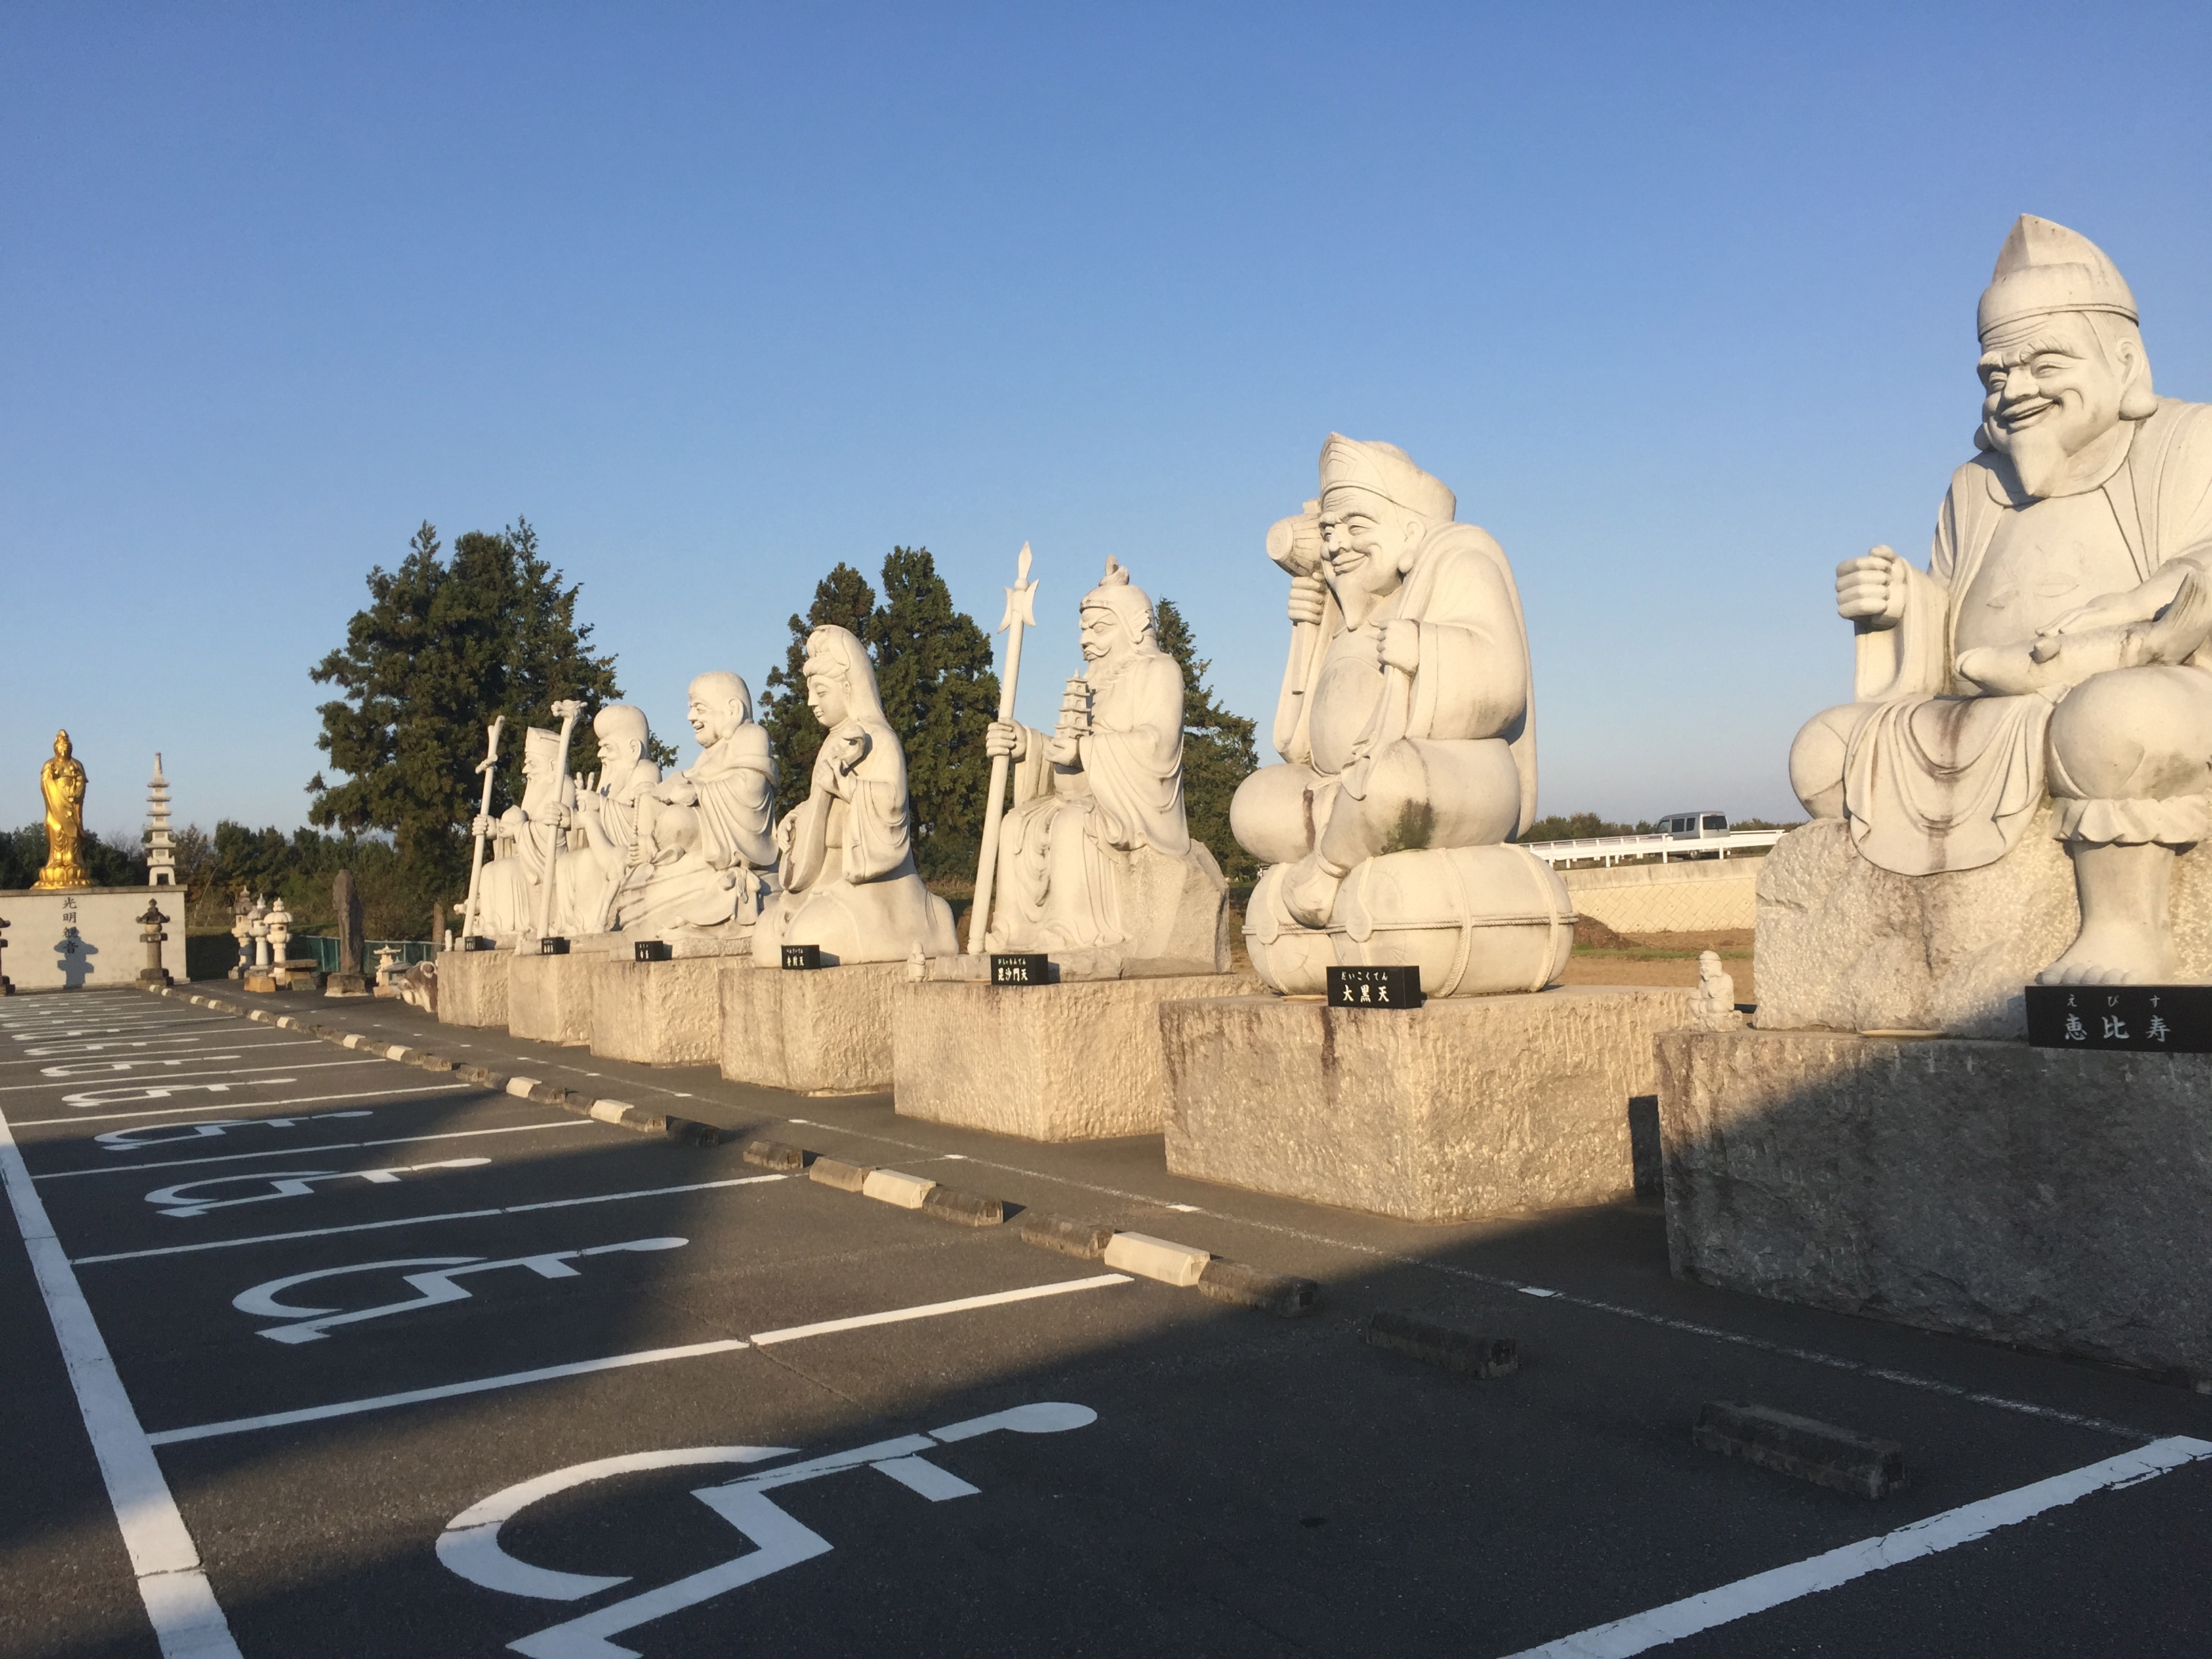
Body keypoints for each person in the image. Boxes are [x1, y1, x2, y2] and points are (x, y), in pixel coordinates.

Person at [1788, 216, 2212, 985]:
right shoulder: (1975, 485)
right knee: (1822, 750)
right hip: (1990, 707)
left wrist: (2120, 622)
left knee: (2117, 719)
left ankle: (2128, 932)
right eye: (1995, 375)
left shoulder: (2187, 440)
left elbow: (2200, 577)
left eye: (2045, 364)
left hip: (2148, 687)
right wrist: (1898, 605)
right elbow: (1949, 616)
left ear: (2123, 362)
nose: (2016, 390)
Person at [1231, 434, 1538, 930]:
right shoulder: (1346, 612)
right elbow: (1294, 745)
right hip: (1337, 787)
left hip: (1454, 773)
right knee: (1254, 802)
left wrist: (1424, 647)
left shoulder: (1462, 563)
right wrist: (1306, 632)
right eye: (1329, 530)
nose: (1336, 545)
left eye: (1356, 526)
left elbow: (1504, 688)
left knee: (1393, 781)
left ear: (1410, 530)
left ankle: (1328, 868)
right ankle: (1344, 837)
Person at [982, 557, 1224, 957]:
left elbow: (1158, 743)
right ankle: (1014, 933)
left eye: (1099, 628)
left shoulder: (1159, 671)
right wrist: (1028, 744)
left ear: (1135, 627)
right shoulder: (1092, 684)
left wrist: (1084, 751)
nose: (1085, 640)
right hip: (1082, 794)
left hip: (1130, 804)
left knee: (1072, 825)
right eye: (1083, 629)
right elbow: (1067, 747)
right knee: (1016, 823)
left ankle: (1072, 932)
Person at [758, 626, 957, 964]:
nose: (811, 702)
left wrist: (846, 787)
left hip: (870, 883)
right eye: (810, 692)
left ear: (849, 688)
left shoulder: (881, 741)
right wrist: (799, 816)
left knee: (809, 937)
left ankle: (922, 926)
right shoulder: (831, 744)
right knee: (765, 937)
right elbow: (822, 805)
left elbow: (892, 806)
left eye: (821, 691)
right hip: (824, 879)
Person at [34, 729, 89, 890]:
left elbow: (81, 782)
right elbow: (44, 784)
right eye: (60, 747)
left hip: (70, 802)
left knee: (72, 834)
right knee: (57, 830)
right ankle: (57, 861)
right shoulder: (49, 765)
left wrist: (76, 793)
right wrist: (50, 777)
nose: (63, 750)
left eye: (66, 747)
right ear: (55, 748)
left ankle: (72, 860)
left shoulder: (76, 764)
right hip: (55, 802)